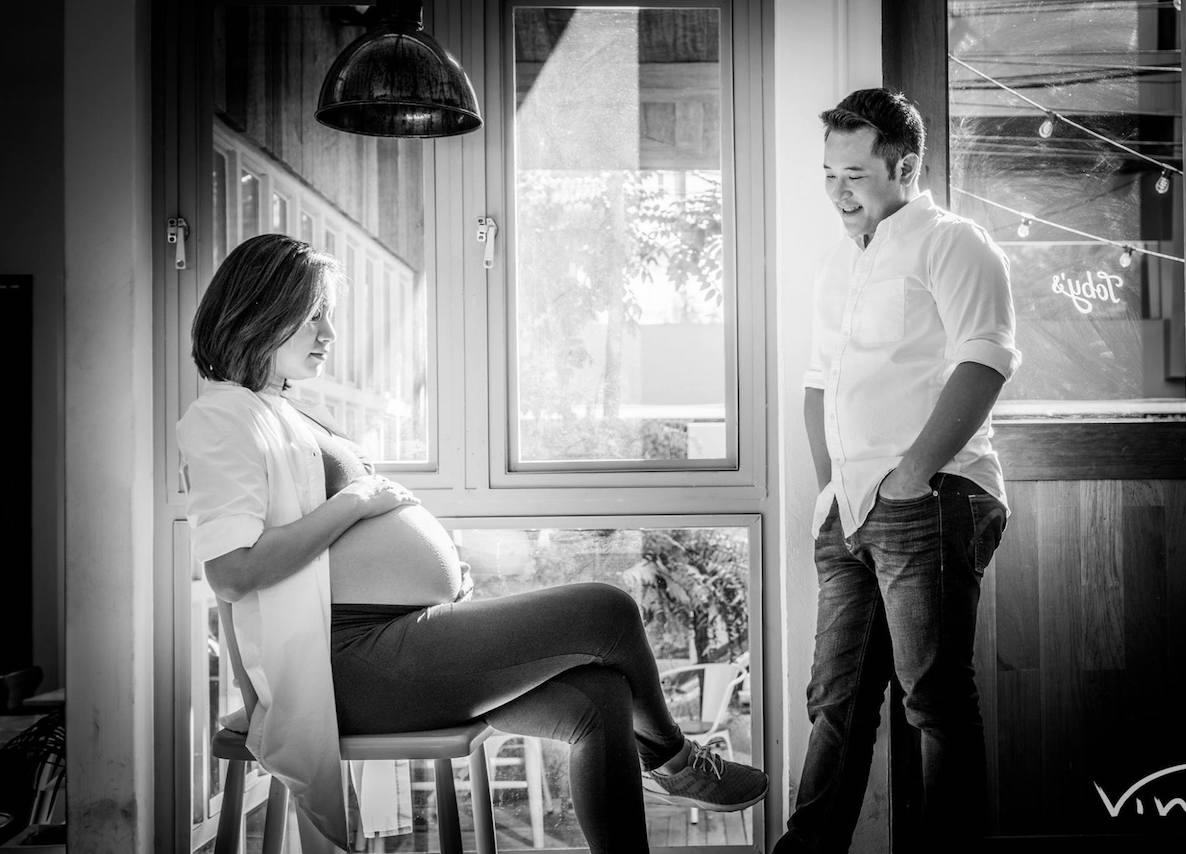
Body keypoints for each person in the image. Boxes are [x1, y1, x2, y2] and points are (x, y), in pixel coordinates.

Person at [177, 233, 768, 854]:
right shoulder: (223, 418)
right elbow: (234, 573)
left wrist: (424, 565)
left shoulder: (279, 408)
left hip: (390, 643)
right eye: (314, 315)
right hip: (350, 663)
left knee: (600, 697)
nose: (329, 333)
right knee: (607, 610)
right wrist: (358, 503)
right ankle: (675, 761)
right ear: (264, 311)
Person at [774, 89, 1021, 853]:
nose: (838, 193)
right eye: (828, 174)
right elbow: (818, 385)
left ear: (904, 167)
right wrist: (830, 489)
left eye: (855, 175)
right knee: (836, 701)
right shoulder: (836, 266)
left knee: (934, 703)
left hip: (931, 499)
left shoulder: (955, 244)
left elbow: (985, 363)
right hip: (848, 511)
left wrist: (912, 476)